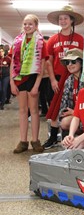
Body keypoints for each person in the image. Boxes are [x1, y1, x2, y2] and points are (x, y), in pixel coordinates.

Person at [43, 6, 84, 149]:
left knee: (72, 105)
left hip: (75, 76)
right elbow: (49, 61)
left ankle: (73, 135)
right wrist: (53, 79)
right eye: (60, 19)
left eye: (66, 18)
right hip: (58, 77)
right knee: (55, 108)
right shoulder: (53, 39)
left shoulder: (80, 39)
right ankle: (53, 137)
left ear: (72, 20)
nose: (63, 21)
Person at [10, 14, 48, 153]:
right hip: (19, 79)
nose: (27, 26)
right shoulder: (17, 41)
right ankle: (23, 141)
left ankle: (35, 140)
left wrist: (37, 84)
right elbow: (13, 63)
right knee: (22, 111)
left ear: (36, 26)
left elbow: (42, 65)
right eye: (25, 24)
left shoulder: (41, 42)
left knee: (34, 111)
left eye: (30, 24)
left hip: (33, 78)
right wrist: (12, 83)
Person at [59, 48, 84, 139]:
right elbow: (63, 107)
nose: (70, 65)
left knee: (66, 122)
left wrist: (74, 113)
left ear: (81, 62)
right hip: (76, 117)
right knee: (64, 122)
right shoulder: (69, 81)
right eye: (67, 62)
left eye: (73, 61)